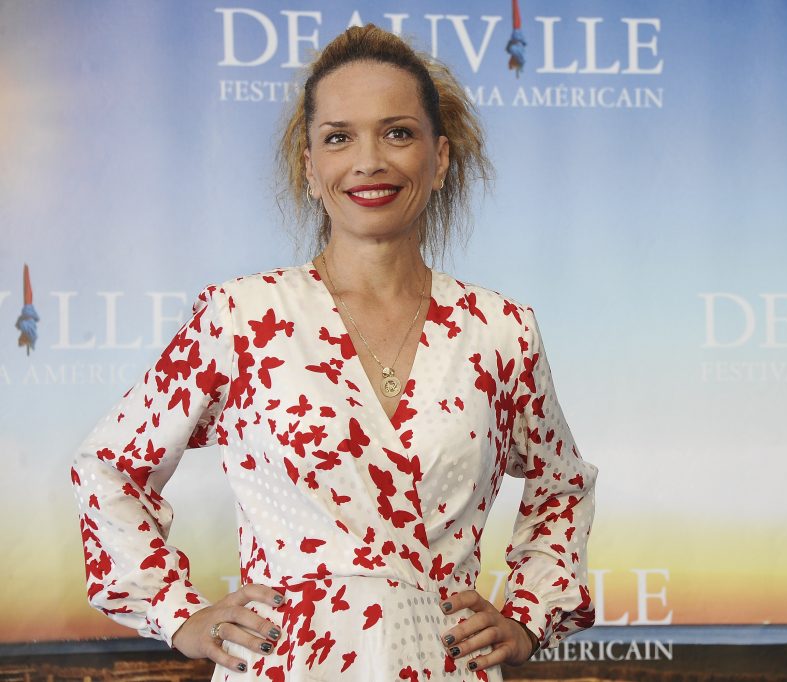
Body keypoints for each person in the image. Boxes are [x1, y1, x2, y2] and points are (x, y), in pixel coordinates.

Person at [71, 24, 597, 681]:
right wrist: (178, 613)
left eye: (397, 132)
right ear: (310, 167)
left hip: (440, 665)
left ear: (440, 159)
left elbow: (562, 487)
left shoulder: (499, 330)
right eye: (339, 137)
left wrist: (528, 613)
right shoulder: (242, 317)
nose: (368, 160)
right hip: (284, 666)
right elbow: (111, 464)